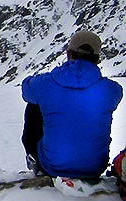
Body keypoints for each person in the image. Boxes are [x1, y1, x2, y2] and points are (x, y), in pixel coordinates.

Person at [21, 30, 122, 178]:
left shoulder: (46, 84)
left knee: (34, 104)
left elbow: (26, 90)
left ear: (69, 54)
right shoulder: (111, 90)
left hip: (52, 167)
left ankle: (34, 160)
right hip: (94, 168)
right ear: (97, 59)